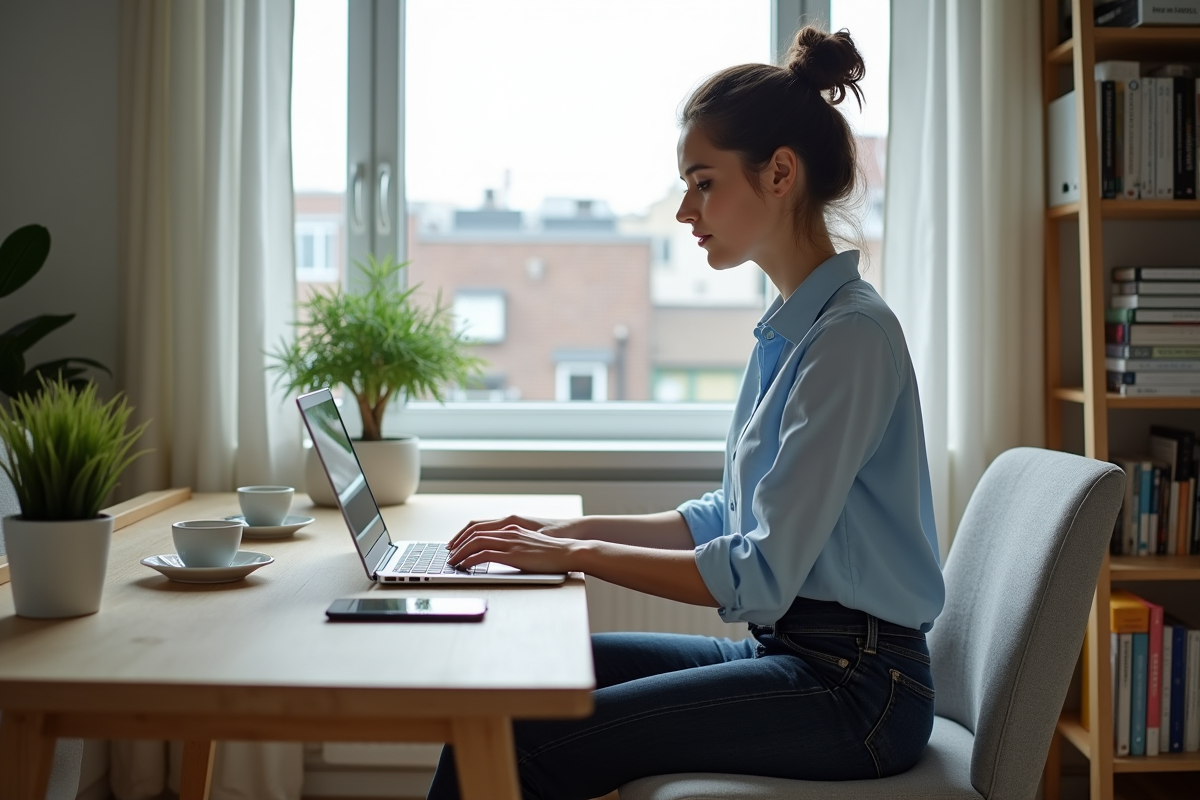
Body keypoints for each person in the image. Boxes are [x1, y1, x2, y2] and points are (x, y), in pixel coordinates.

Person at [429, 25, 945, 800]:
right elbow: (726, 519)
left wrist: (575, 557)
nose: (683, 210)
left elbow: (760, 575)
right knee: (512, 689)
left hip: (859, 691)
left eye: (703, 182)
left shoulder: (850, 339)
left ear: (779, 174)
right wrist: (558, 534)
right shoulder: (792, 330)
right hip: (799, 657)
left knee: (519, 747)